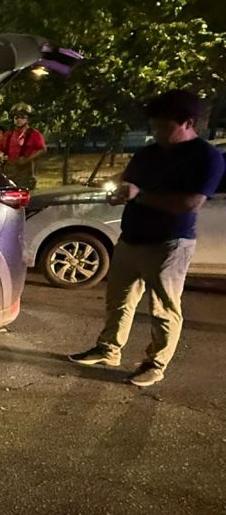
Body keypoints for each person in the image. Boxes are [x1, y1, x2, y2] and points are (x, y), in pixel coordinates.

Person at [68, 89, 225, 387]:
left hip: (170, 243)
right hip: (131, 238)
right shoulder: (148, 153)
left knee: (164, 308)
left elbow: (190, 203)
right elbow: (128, 181)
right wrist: (120, 191)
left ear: (188, 123)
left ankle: (155, 364)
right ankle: (108, 349)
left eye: (164, 125)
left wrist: (140, 195)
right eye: (154, 125)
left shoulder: (206, 157)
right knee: (119, 300)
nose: (157, 132)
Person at [0, 103, 46, 188]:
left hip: (25, 172)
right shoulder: (8, 134)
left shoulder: (34, 134)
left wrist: (27, 159)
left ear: (28, 119)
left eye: (22, 117)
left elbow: (43, 149)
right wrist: (0, 157)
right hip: (8, 171)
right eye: (16, 117)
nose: (19, 120)